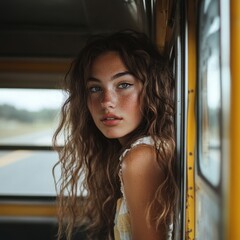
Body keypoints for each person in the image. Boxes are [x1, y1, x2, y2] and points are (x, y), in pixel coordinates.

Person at [53, 30, 178, 240]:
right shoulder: (148, 149)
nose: (106, 101)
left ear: (150, 91)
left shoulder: (142, 158)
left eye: (124, 85)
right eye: (95, 88)